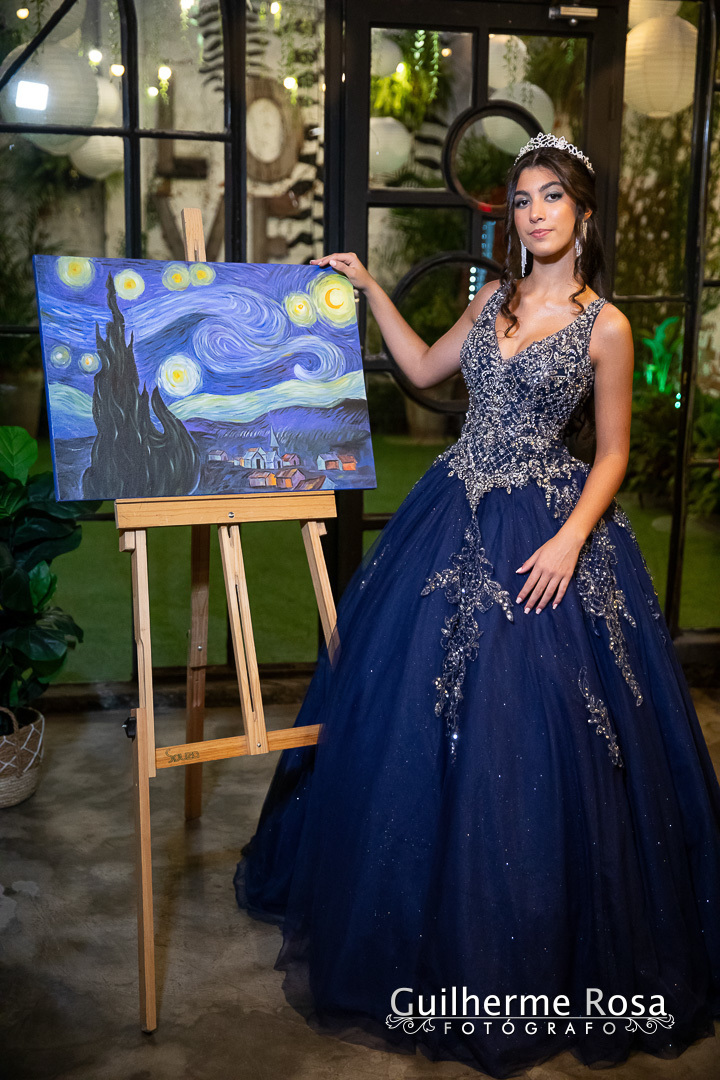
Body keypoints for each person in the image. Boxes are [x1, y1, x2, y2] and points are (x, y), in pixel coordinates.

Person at [234, 133, 720, 1078]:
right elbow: (422, 370)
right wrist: (371, 289)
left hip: (546, 524)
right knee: (408, 710)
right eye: (523, 199)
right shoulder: (492, 298)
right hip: (450, 511)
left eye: (552, 197)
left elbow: (614, 451)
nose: (535, 213)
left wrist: (570, 538)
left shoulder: (608, 325)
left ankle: (522, 940)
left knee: (531, 725)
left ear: (584, 214)